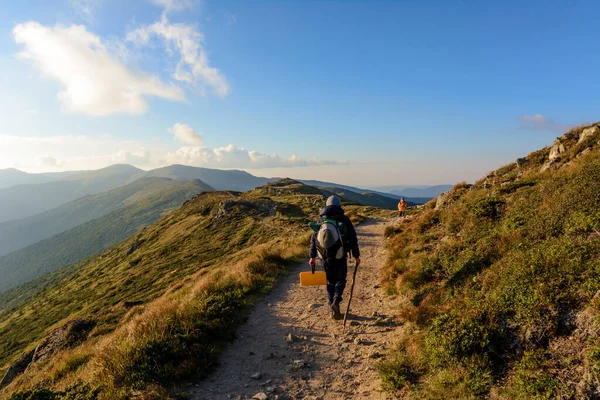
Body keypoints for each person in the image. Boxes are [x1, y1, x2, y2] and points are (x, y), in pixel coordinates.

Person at [309, 195, 360, 319]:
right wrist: (356, 255)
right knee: (340, 280)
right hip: (340, 255)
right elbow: (353, 238)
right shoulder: (344, 219)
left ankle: (332, 308)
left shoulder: (321, 219)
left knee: (329, 281)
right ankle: (336, 301)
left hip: (324, 257)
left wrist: (312, 256)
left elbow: (314, 239)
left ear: (326, 206)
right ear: (339, 205)